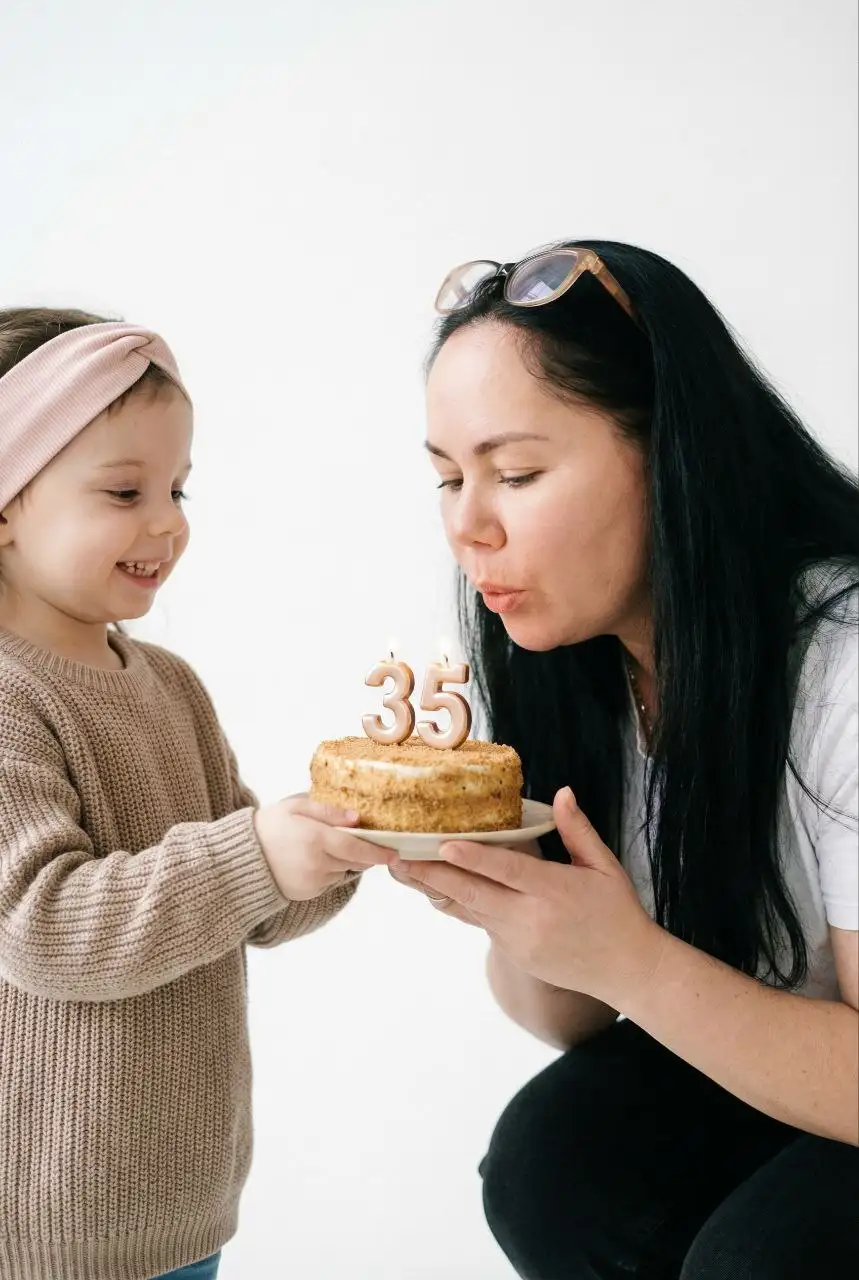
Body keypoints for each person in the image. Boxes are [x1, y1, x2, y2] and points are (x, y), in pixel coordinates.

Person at [389, 242, 859, 1278]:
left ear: (671, 455)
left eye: (514, 473)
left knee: (760, 1257)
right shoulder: (576, 661)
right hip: (797, 1069)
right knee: (551, 1163)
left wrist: (630, 957)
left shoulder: (841, 662)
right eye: (446, 476)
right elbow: (571, 1016)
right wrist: (505, 891)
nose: (468, 525)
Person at [0, 309, 393, 1280]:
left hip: (182, 1201)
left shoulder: (168, 683)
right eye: (125, 489)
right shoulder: (10, 695)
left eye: (176, 486)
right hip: (46, 1228)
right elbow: (41, 925)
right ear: (6, 504)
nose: (168, 520)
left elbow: (244, 902)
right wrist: (258, 852)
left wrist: (336, 839)